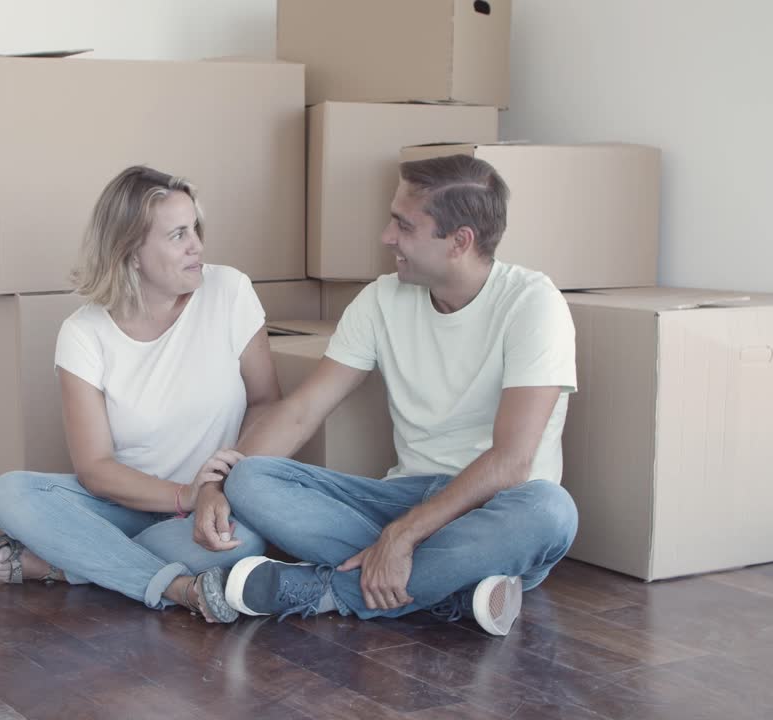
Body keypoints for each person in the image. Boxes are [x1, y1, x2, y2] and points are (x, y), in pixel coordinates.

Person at [198, 153, 579, 635]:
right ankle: (453, 592)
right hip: (403, 496)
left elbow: (511, 462)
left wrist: (403, 536)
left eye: (404, 225)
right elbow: (301, 411)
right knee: (251, 478)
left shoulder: (532, 303)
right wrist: (218, 482)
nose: (386, 237)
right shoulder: (382, 298)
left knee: (550, 511)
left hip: (495, 506)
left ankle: (329, 592)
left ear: (459, 241)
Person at [0, 165, 279, 623]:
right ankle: (177, 588)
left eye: (195, 228)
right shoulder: (84, 333)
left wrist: (216, 490)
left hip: (215, 504)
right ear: (131, 252)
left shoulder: (229, 290)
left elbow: (266, 403)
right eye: (178, 234)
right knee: (12, 493)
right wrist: (186, 495)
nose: (197, 245)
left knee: (245, 542)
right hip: (121, 507)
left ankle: (69, 566)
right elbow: (95, 468)